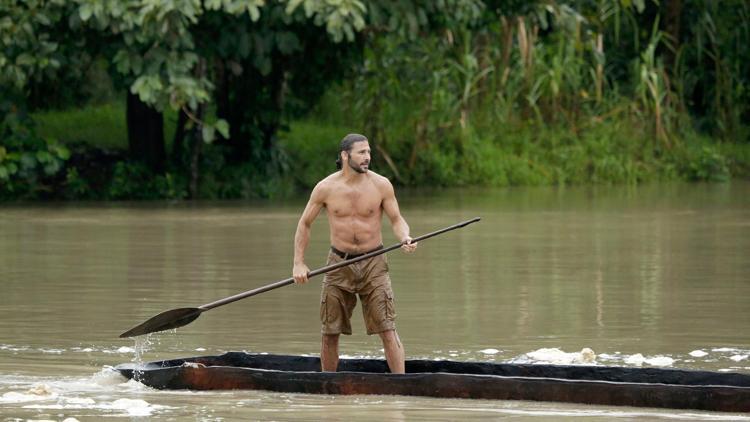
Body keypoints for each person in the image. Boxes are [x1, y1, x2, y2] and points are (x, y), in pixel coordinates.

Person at [292, 133, 417, 374]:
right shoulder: (325, 188)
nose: (367, 157)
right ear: (345, 155)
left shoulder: (381, 185)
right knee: (330, 331)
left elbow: (397, 219)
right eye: (362, 152)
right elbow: (304, 224)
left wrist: (404, 237)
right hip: (338, 264)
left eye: (369, 152)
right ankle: (328, 384)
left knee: (387, 328)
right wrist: (299, 263)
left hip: (374, 263)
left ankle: (401, 386)